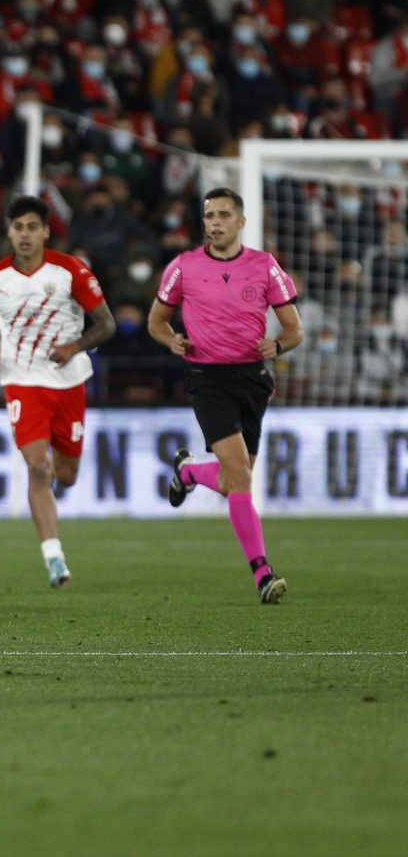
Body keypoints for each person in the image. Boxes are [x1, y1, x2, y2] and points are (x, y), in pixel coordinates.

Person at [152, 187, 303, 604]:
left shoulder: (264, 266)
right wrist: (172, 341)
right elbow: (156, 322)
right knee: (240, 477)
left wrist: (280, 345)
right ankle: (262, 573)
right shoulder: (183, 267)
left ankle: (187, 473)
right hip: (207, 378)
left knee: (233, 480)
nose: (214, 222)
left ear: (240, 221)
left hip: (253, 379)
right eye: (208, 215)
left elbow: (295, 329)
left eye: (222, 214)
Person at [0, 196, 115, 588]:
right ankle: (54, 559)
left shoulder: (71, 271)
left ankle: (55, 484)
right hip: (21, 380)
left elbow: (107, 324)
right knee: (39, 468)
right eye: (18, 226)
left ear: (45, 231)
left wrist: (74, 346)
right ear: (9, 231)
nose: (24, 234)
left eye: (32, 227)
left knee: (66, 475)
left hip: (68, 381)